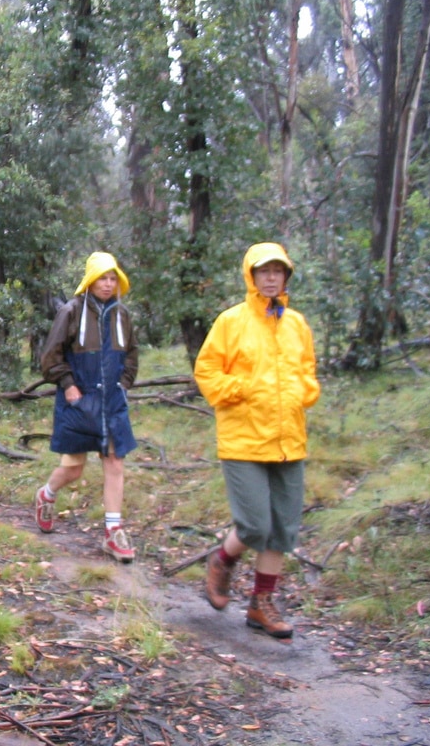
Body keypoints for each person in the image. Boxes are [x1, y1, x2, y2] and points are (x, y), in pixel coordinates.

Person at [194, 242, 321, 640]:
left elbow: (307, 369)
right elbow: (207, 371)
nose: (270, 278)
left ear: (286, 276)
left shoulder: (297, 323)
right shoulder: (231, 321)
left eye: (277, 271)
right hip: (244, 438)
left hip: (288, 438)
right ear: (251, 276)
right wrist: (241, 389)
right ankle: (221, 560)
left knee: (282, 529)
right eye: (263, 271)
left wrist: (305, 391)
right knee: (253, 525)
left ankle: (261, 603)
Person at [33, 252, 139, 563]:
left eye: (112, 278)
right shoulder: (71, 311)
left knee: (115, 463)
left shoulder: (123, 315)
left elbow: (131, 354)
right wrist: (69, 386)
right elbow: (50, 356)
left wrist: (124, 383)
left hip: (112, 401)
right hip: (78, 400)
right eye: (102, 278)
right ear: (90, 281)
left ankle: (113, 532)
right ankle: (47, 494)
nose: (108, 284)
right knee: (73, 469)